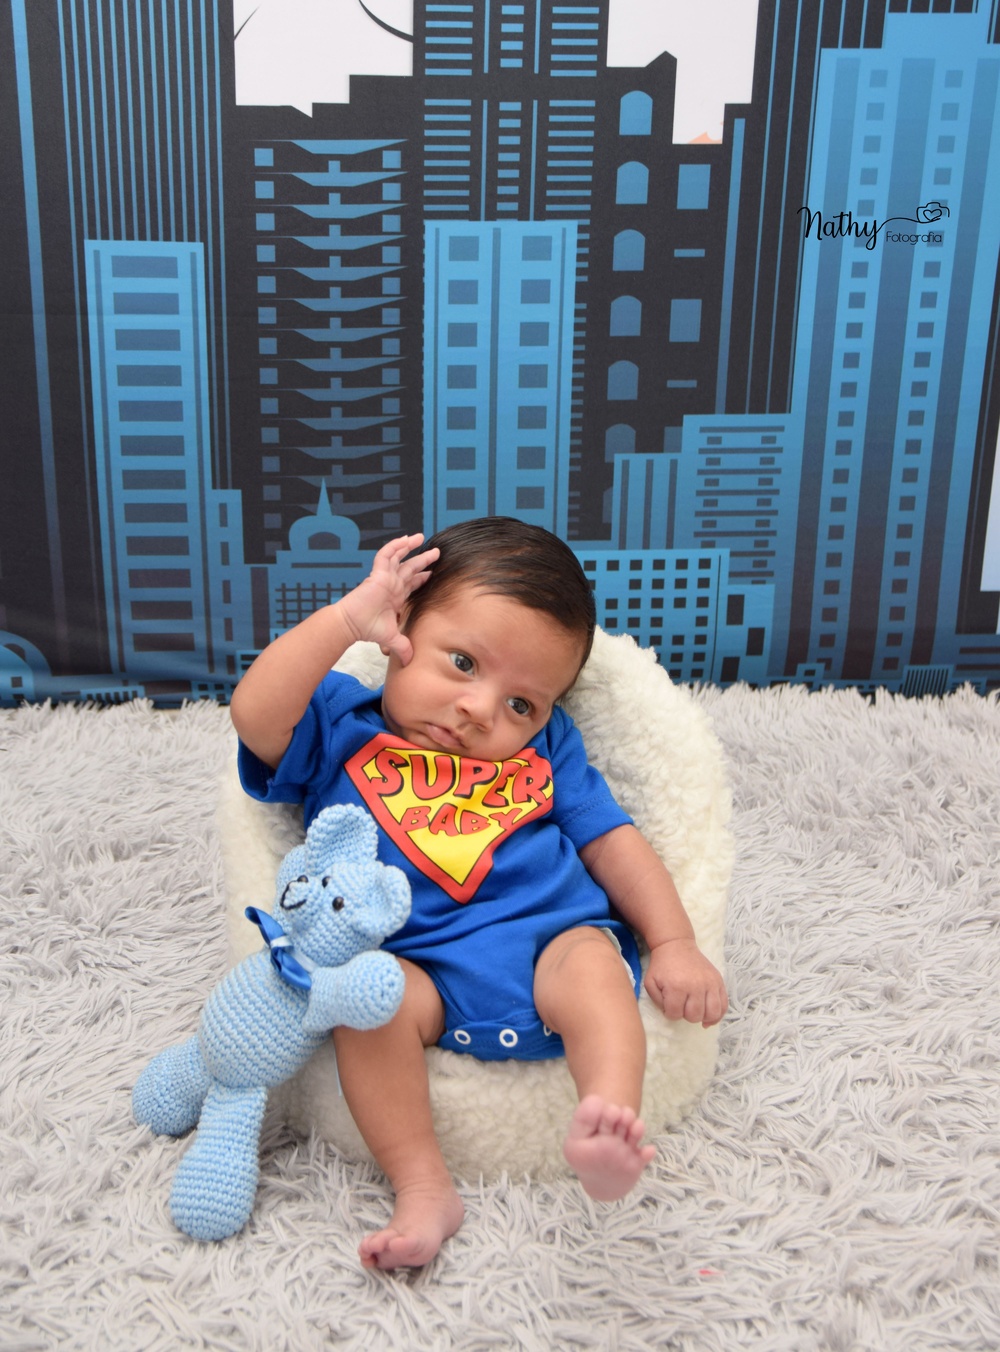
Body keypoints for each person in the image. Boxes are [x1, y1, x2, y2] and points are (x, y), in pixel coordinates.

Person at [230, 518, 727, 1271]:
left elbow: (613, 842)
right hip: (418, 968)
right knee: (367, 997)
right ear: (401, 631)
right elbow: (255, 713)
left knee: (594, 968)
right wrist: (347, 620)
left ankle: (609, 1120)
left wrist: (674, 942)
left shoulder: (549, 750)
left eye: (521, 704)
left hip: (547, 940)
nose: (480, 710)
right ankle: (422, 1186)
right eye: (462, 663)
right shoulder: (339, 725)